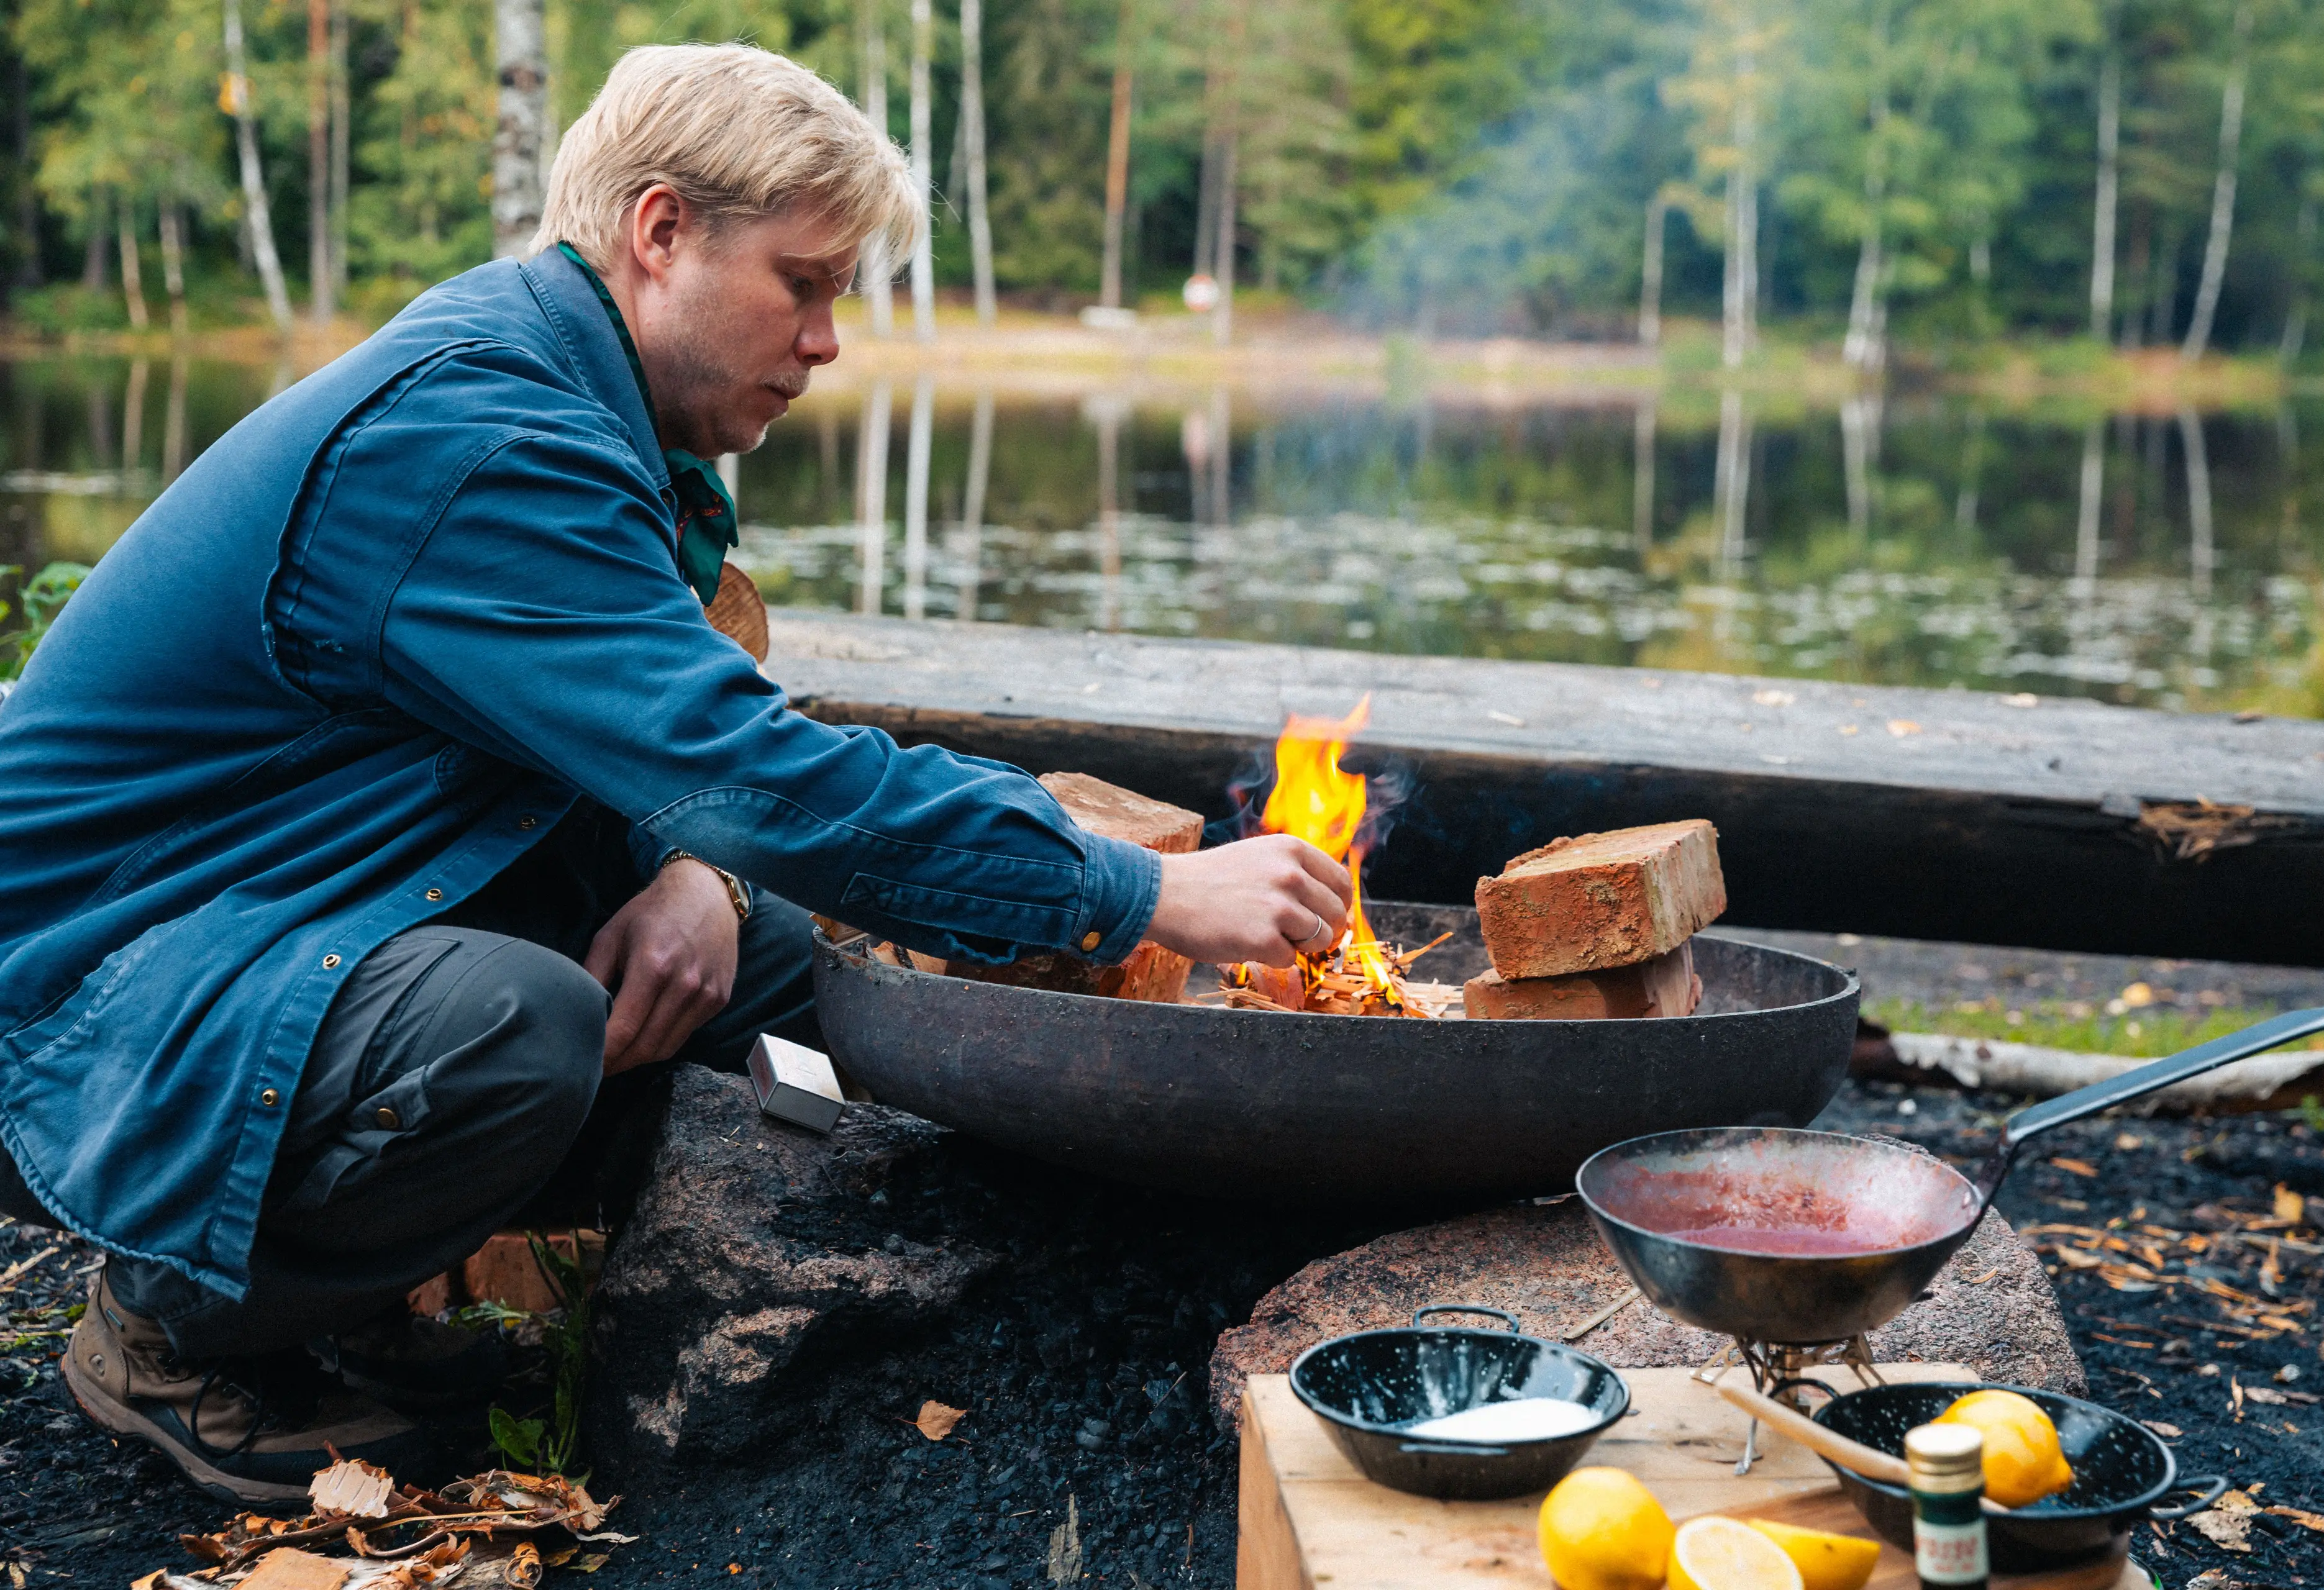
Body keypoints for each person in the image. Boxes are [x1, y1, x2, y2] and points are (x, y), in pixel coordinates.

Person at [0, 43, 1351, 1504]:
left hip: (293, 896)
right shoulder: (485, 442)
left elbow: (666, 742)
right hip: (89, 987)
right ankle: (175, 1322)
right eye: (803, 283)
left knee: (787, 956)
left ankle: (369, 1270)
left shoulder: (583, 399)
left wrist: (703, 872)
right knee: (515, 1028)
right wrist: (1142, 889)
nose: (826, 342)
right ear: (661, 232)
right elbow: (755, 767)